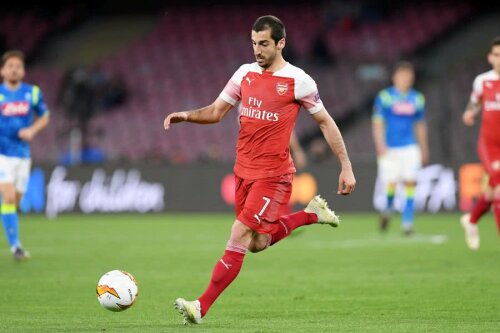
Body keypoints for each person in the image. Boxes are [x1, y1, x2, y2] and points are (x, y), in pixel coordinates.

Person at [164, 15, 356, 325]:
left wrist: (345, 166)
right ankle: (311, 214)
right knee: (256, 243)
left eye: (264, 44)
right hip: (243, 172)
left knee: (239, 233)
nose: (257, 50)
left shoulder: (299, 80)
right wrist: (185, 115)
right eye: (254, 43)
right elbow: (216, 112)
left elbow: (325, 122)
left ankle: (200, 306)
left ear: (281, 43)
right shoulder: (244, 74)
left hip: (274, 175)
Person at [0, 50, 50, 261]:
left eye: (18, 66)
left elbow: (45, 115)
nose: (14, 69)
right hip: (2, 153)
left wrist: (32, 131)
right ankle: (16, 247)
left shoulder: (33, 92)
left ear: (23, 71)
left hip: (23, 155)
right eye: (10, 65)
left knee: (14, 202)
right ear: (2, 70)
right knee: (9, 196)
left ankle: (13, 237)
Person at [372, 61, 428, 236]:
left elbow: (420, 124)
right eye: (402, 75)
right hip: (389, 149)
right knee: (391, 185)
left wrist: (424, 147)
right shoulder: (385, 97)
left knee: (410, 183)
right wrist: (380, 143)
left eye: (409, 76)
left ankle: (407, 223)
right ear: (394, 77)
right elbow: (377, 122)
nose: (406, 79)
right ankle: (388, 210)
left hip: (410, 147)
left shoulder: (417, 98)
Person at [460, 36, 500, 250]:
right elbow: (475, 102)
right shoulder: (482, 80)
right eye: (496, 55)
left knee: (493, 192)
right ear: (490, 57)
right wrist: (469, 113)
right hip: (489, 144)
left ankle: (471, 220)